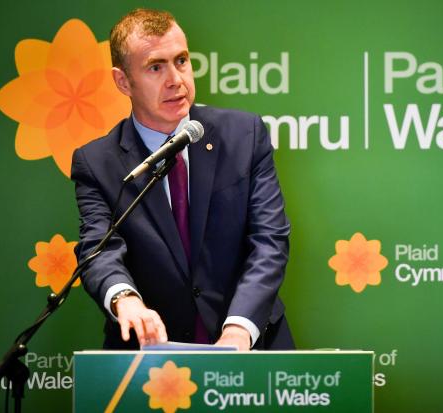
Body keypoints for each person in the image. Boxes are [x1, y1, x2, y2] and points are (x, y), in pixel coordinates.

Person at [71, 8, 293, 351]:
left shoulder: (244, 135)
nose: (176, 79)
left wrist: (238, 329)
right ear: (123, 81)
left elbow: (270, 240)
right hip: (152, 357)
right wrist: (124, 299)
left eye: (182, 61)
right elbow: (98, 249)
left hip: (251, 345)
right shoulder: (98, 162)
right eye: (156, 67)